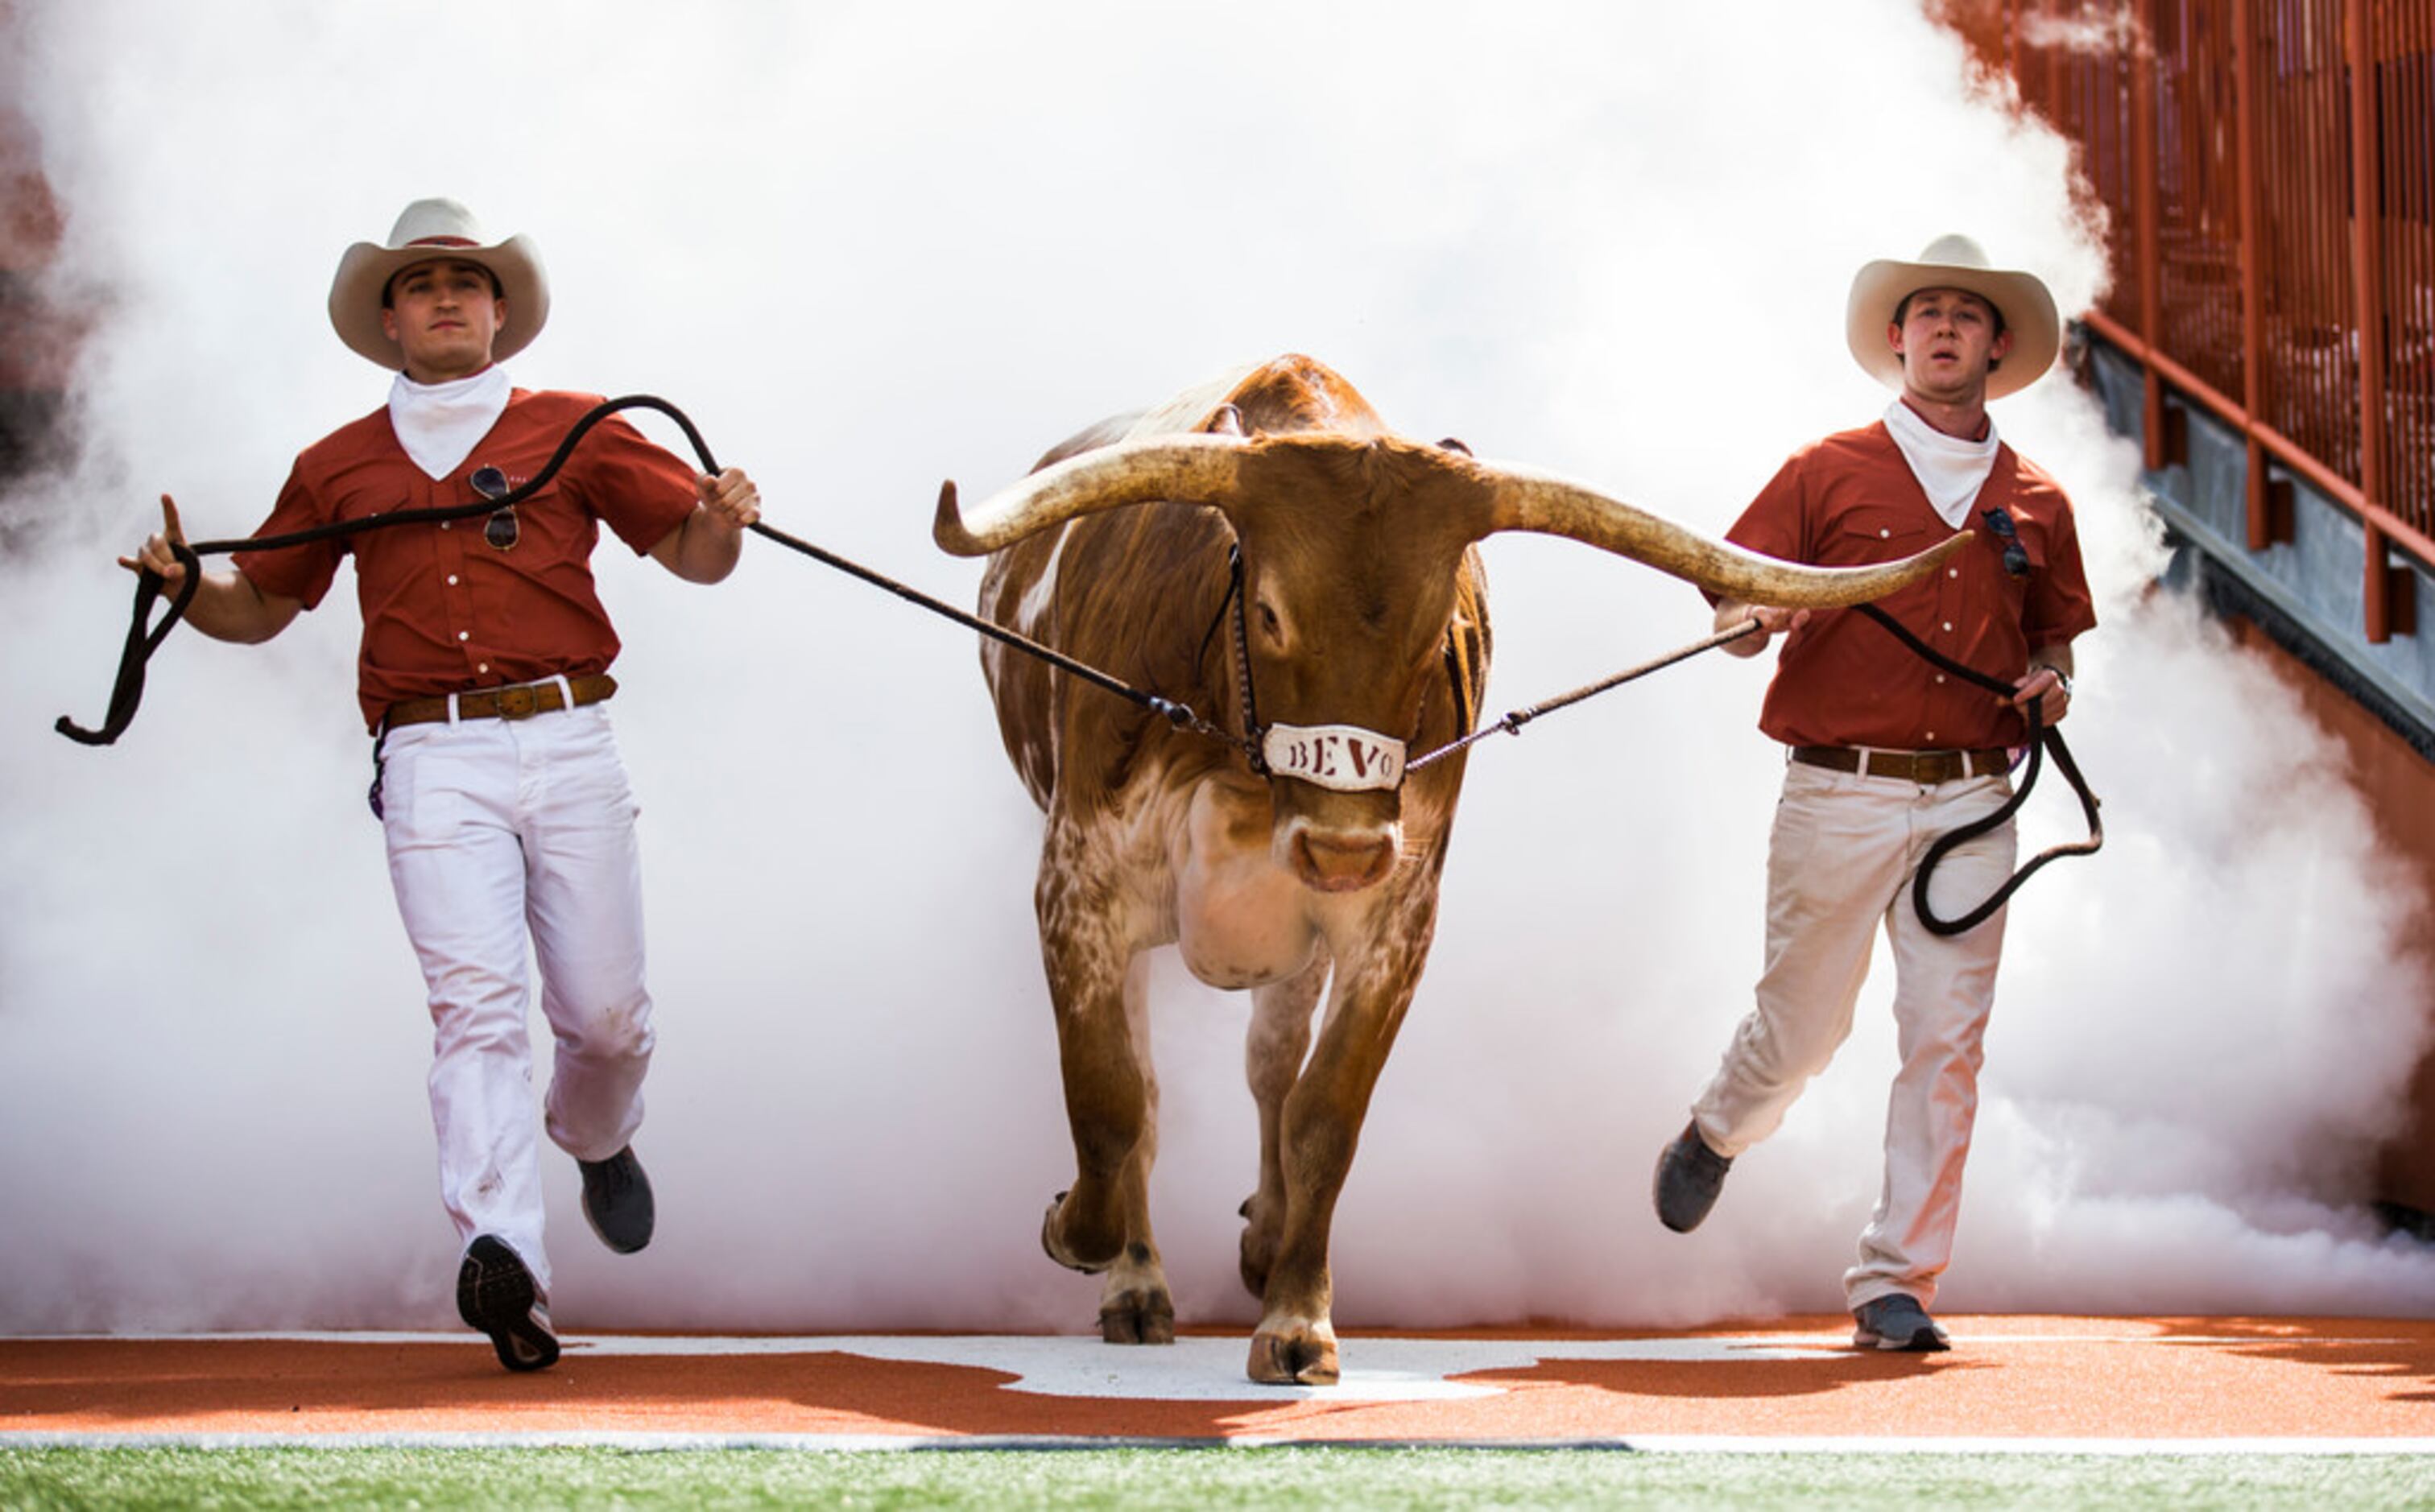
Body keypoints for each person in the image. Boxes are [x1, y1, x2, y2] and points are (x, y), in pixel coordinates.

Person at [121, 198, 763, 1372]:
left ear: (502, 309)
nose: (448, 297)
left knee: (607, 1021)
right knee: (474, 1010)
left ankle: (595, 1132)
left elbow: (697, 557)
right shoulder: (335, 465)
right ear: (389, 318)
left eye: (467, 279)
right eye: (422, 285)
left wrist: (721, 521)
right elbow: (260, 604)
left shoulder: (583, 425)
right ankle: (506, 1256)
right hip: (430, 756)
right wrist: (180, 593)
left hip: (573, 739)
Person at [1651, 233, 2097, 1352]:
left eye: (1966, 313)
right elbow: (1733, 617)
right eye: (1926, 311)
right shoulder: (1823, 470)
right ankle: (1717, 1127)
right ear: (1898, 338)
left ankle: (1897, 1279)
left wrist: (2054, 689)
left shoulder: (2039, 499)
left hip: (1971, 803)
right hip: (1836, 791)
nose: (1945, 326)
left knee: (1948, 1039)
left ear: (1998, 345)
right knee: (1804, 1030)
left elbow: (2058, 651)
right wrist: (1751, 618)